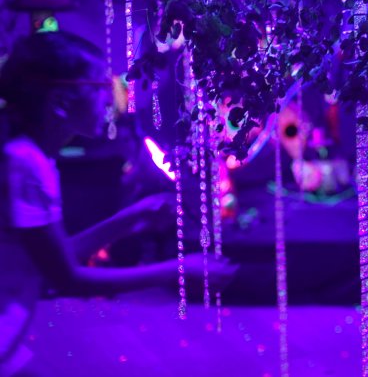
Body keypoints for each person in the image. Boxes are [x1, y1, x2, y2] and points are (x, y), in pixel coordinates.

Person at [0, 31, 235, 376]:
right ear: (61, 102)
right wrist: (179, 270)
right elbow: (66, 279)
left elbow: (55, 258)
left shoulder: (34, 159)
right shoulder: (24, 163)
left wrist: (130, 218)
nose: (113, 99)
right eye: (101, 86)